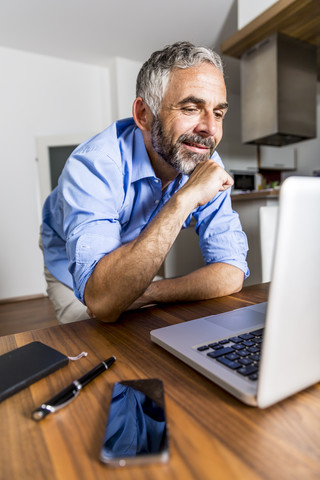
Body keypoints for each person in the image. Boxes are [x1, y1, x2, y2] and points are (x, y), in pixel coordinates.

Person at [41, 41, 249, 324]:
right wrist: (185, 198)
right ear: (144, 115)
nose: (210, 129)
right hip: (67, 255)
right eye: (190, 108)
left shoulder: (206, 164)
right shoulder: (94, 165)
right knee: (91, 335)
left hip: (132, 250)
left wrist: (150, 292)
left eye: (219, 113)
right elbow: (102, 301)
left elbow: (231, 270)